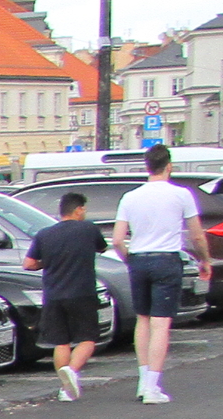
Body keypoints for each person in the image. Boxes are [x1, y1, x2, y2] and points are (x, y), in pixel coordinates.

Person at [110, 144, 209, 404]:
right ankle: (153, 386)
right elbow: (197, 234)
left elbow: (118, 240)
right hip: (166, 259)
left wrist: (129, 259)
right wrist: (204, 259)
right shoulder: (181, 195)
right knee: (161, 323)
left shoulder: (130, 197)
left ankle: (143, 381)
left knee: (142, 320)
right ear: (169, 166)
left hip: (139, 259)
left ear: (147, 167)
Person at [23, 192, 107, 400]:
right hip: (82, 292)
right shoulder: (88, 229)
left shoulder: (44, 234)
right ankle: (72, 370)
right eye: (83, 209)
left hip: (53, 294)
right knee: (87, 339)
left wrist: (46, 262)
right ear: (78, 209)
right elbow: (102, 248)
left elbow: (29, 264)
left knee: (61, 342)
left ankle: (65, 389)